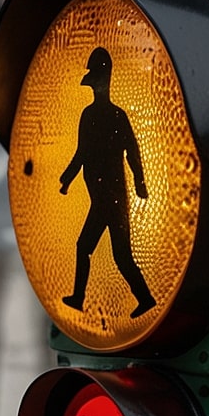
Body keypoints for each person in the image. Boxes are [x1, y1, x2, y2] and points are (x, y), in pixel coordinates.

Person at [58, 47, 156, 318]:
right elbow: (82, 152)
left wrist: (140, 181)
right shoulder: (89, 115)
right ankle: (142, 297)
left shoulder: (115, 116)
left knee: (97, 250)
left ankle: (84, 297)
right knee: (116, 254)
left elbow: (132, 151)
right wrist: (67, 178)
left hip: (109, 198)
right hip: (103, 196)